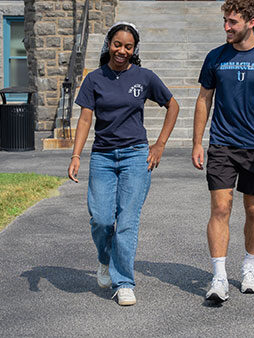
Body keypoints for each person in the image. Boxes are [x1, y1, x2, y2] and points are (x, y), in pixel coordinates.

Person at [68, 21, 179, 306]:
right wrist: (76, 155)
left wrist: (160, 144)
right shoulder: (94, 79)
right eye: (117, 44)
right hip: (103, 156)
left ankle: (124, 282)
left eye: (128, 47)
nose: (122, 51)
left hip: (135, 156)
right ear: (108, 44)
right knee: (102, 219)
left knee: (127, 221)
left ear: (134, 49)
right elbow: (84, 119)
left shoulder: (144, 77)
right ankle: (105, 260)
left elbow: (173, 105)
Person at [192, 0, 254, 302]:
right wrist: (198, 142)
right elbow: (203, 100)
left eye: (232, 22)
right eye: (225, 21)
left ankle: (249, 267)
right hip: (222, 144)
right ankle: (219, 277)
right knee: (221, 208)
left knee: (253, 210)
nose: (227, 27)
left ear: (251, 23)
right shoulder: (215, 57)